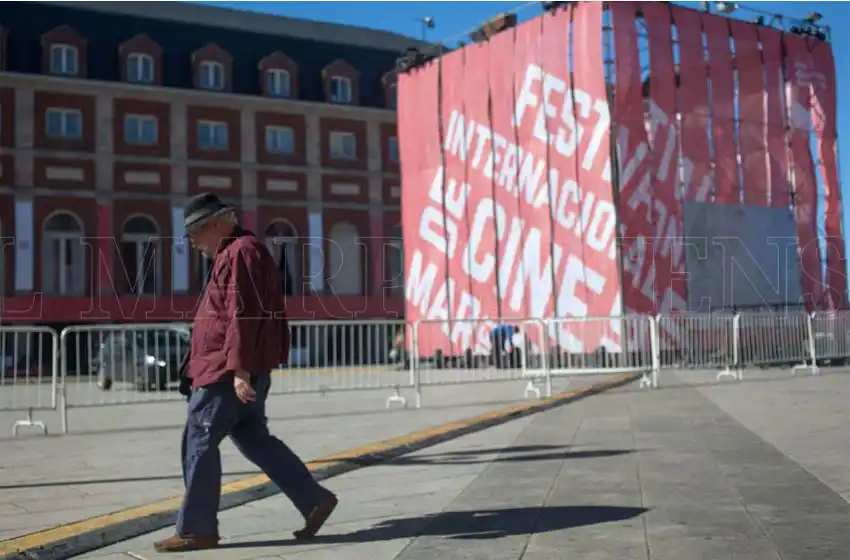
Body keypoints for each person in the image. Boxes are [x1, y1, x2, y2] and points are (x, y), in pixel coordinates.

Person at [155, 193, 338, 553]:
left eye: (195, 234)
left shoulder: (240, 252)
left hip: (226, 371)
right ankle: (313, 499)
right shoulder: (237, 252)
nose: (192, 244)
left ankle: (196, 528)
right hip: (233, 368)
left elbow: (243, 313)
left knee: (199, 441)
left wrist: (240, 369)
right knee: (254, 438)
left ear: (215, 224)